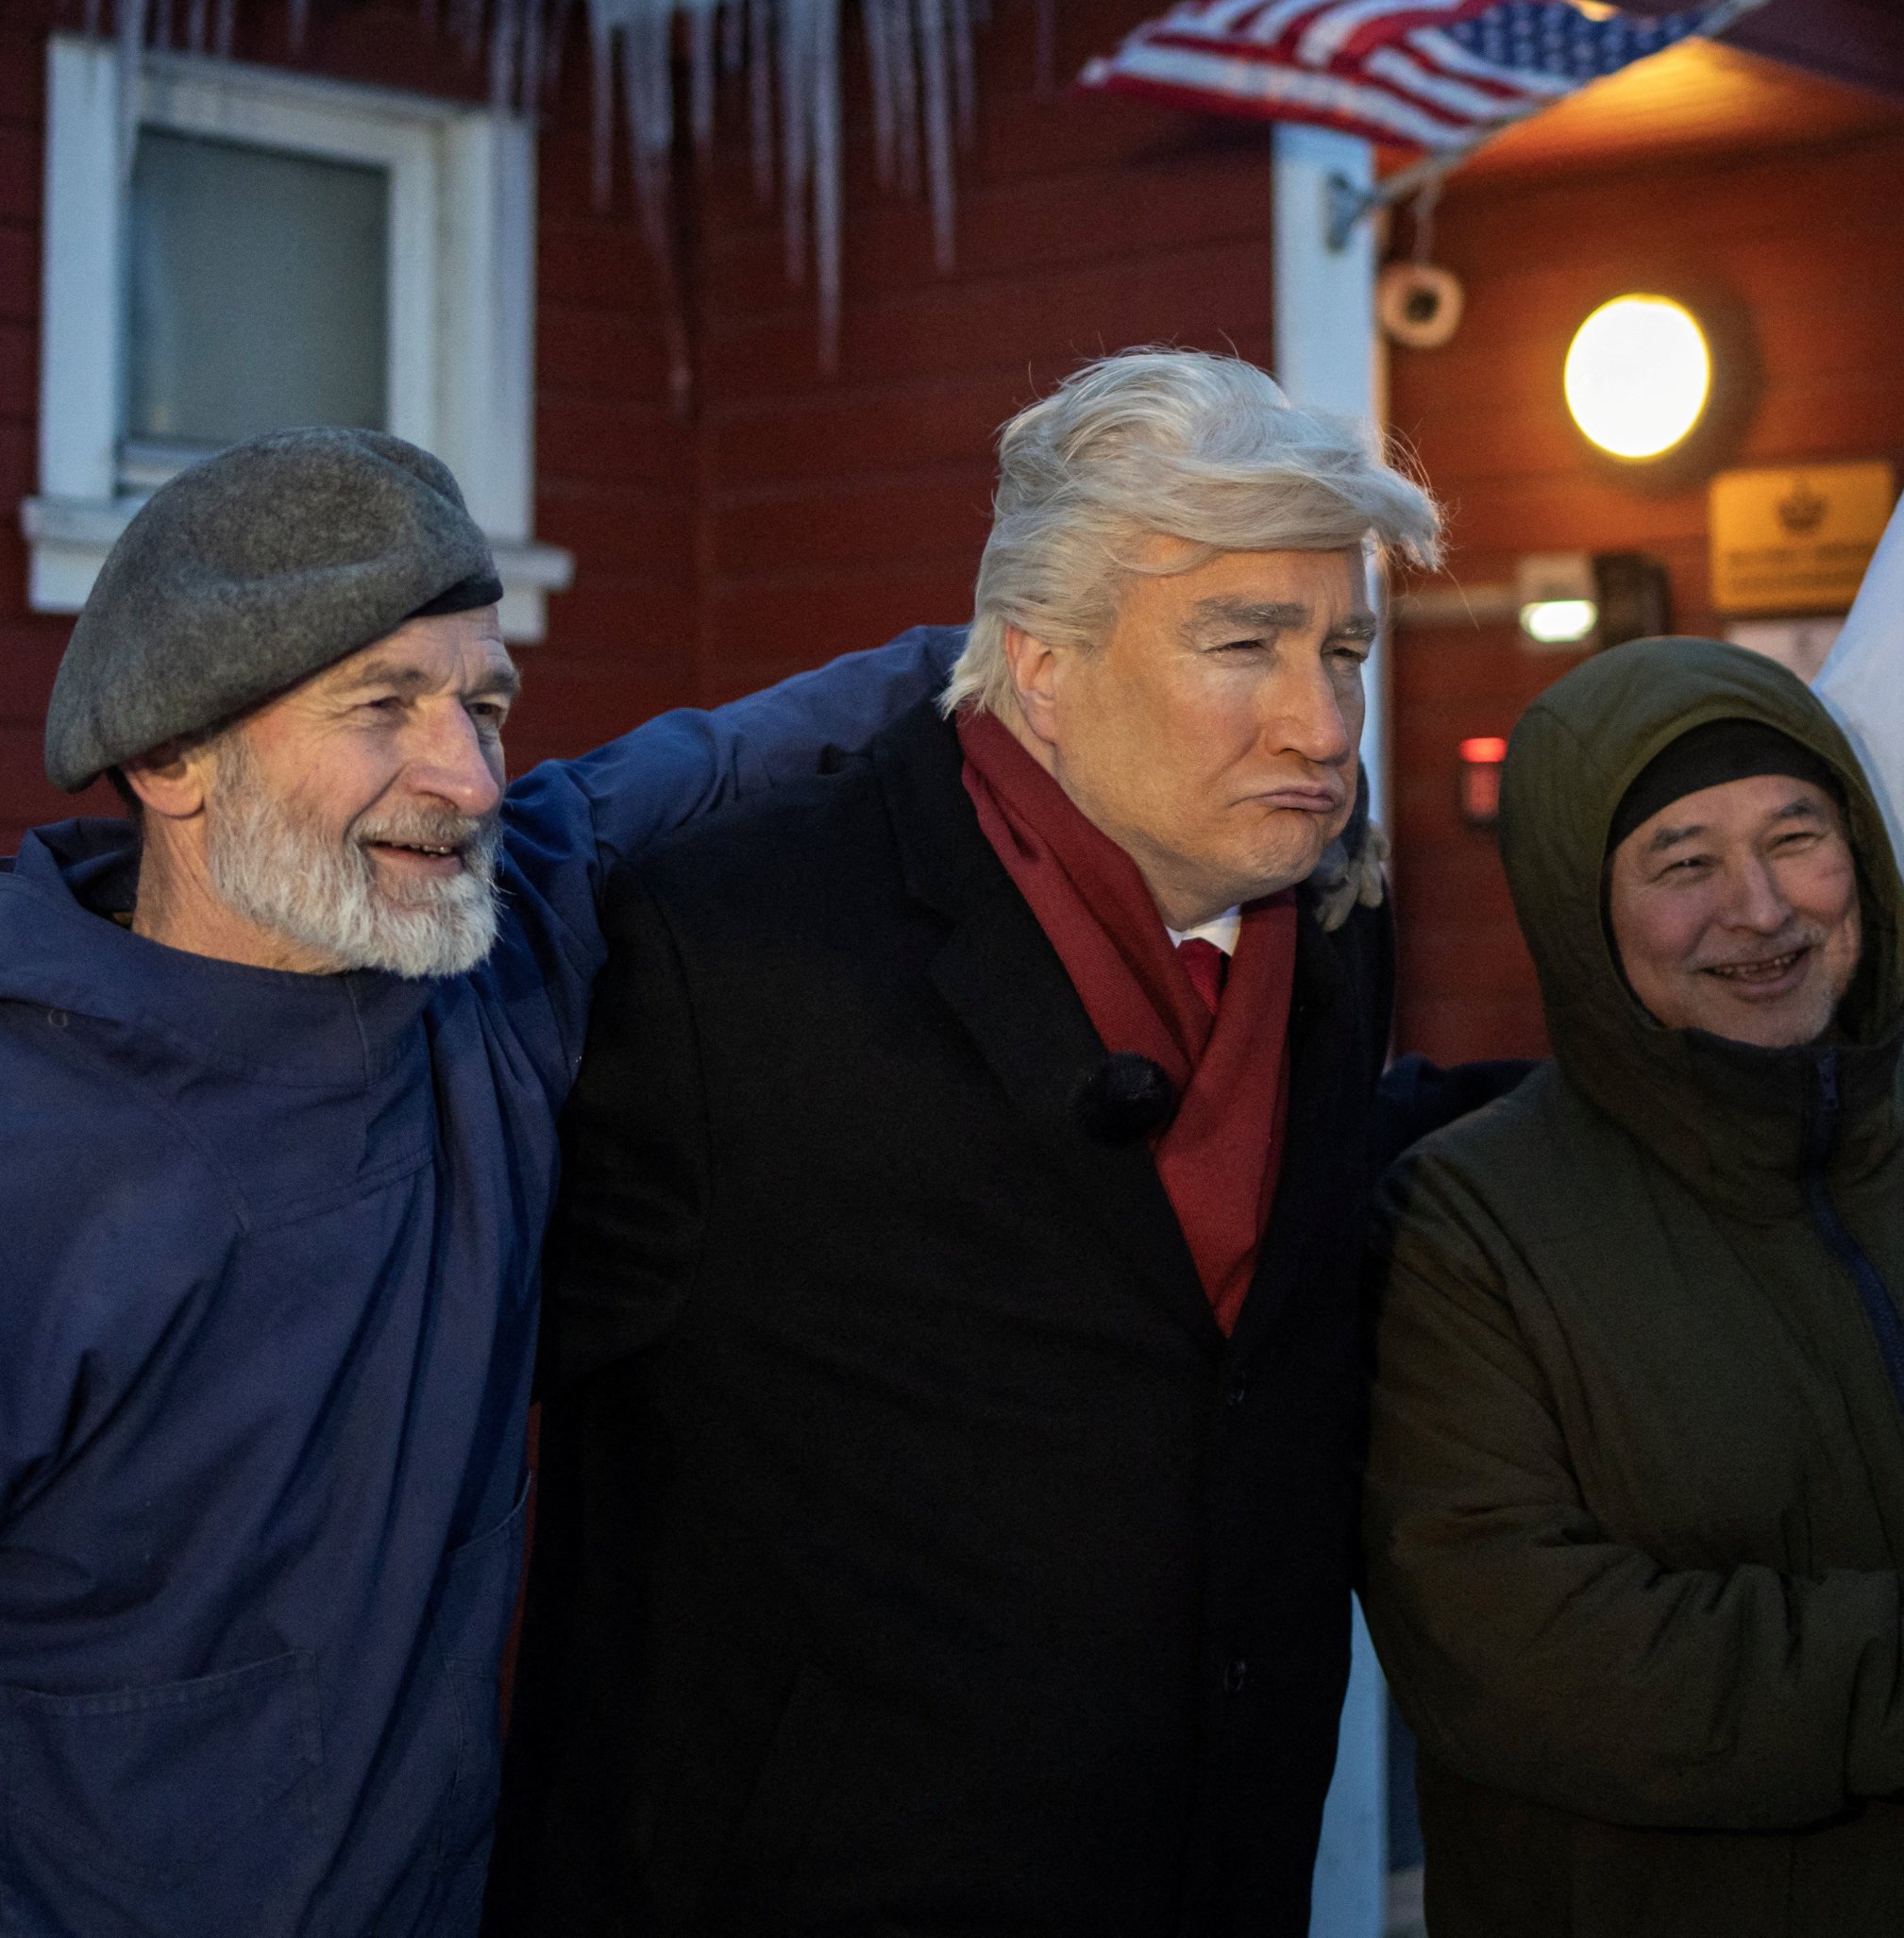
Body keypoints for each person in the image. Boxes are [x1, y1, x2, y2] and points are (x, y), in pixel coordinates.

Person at [0, 430, 953, 1938]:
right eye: (385, 706)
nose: (472, 778)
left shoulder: (485, 979)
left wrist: (1040, 639)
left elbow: (722, 761)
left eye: (485, 704)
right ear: (169, 755)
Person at [490, 350, 1517, 1937]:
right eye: (1246, 643)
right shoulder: (729, 949)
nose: (1323, 717)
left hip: (1220, 1869)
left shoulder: (1332, 926)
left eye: (1346, 646)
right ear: (1040, 661)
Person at [1362, 635, 1904, 1937]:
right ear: (1578, 911)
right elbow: (1529, 1652)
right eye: (1683, 862)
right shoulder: (1473, 1227)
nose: (1764, 908)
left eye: (1798, 835)